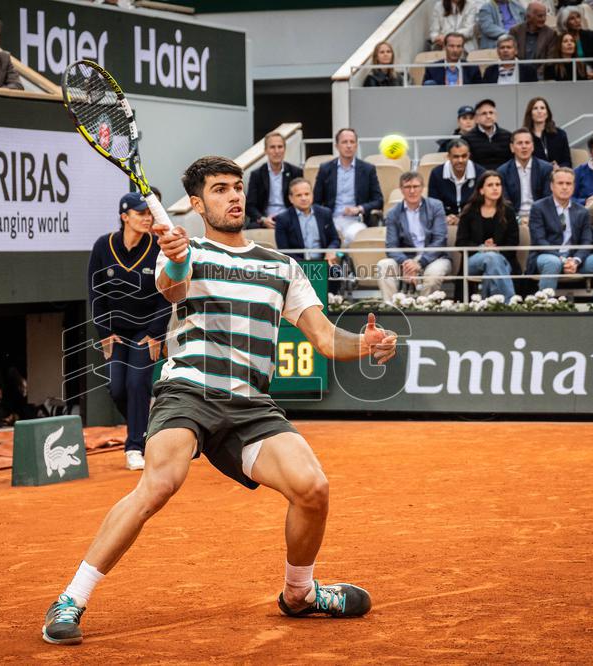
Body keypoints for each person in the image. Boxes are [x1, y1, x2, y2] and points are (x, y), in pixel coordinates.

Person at [40, 155, 398, 645]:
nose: (233, 197)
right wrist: (181, 256)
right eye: (219, 189)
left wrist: (367, 345)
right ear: (196, 202)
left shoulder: (281, 267)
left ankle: (300, 595)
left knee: (313, 487)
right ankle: (71, 600)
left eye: (237, 187)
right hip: (187, 390)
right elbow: (172, 287)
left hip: (250, 406)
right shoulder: (186, 251)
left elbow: (325, 338)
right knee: (160, 481)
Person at [87, 192, 171, 471]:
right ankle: (148, 425)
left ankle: (135, 445)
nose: (148, 218)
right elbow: (96, 293)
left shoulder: (158, 247)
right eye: (140, 213)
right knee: (117, 389)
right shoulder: (102, 246)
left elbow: (165, 295)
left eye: (149, 213)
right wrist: (104, 332)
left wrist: (156, 333)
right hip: (116, 333)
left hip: (145, 332)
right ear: (125, 217)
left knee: (137, 384)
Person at [528, 168, 593, 300]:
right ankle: (545, 308)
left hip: (575, 260)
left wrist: (576, 260)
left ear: (574, 186)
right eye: (560, 183)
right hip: (547, 256)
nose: (565, 187)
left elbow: (586, 241)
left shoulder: (582, 211)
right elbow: (540, 241)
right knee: (553, 263)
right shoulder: (538, 208)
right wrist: (562, 260)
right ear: (552, 186)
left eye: (568, 183)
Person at [377, 172, 452, 300]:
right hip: (406, 259)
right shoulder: (393, 213)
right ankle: (391, 308)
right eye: (407, 187)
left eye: (416, 186)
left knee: (433, 275)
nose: (412, 191)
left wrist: (420, 263)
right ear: (401, 189)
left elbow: (440, 240)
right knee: (383, 265)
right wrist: (406, 263)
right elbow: (391, 246)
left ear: (422, 188)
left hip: (435, 258)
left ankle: (424, 309)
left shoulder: (436, 206)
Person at [456, 170, 521, 301]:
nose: (495, 188)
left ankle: (487, 305)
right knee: (491, 258)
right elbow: (461, 242)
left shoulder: (508, 211)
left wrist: (497, 250)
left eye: (498, 184)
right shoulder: (469, 211)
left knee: (492, 266)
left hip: (503, 258)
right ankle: (510, 302)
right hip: (474, 260)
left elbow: (513, 241)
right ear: (481, 190)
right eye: (490, 185)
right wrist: (482, 248)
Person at [312, 128, 383, 245]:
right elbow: (316, 201)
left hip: (357, 221)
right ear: (337, 146)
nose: (349, 146)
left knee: (353, 236)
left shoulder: (367, 169)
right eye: (344, 142)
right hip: (332, 219)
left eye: (352, 142)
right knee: (327, 235)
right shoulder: (326, 169)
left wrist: (359, 208)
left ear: (356, 145)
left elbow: (379, 201)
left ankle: (348, 263)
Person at [274, 178, 343, 293]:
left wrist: (331, 250)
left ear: (312, 195)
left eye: (307, 194)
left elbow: (335, 239)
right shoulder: (282, 219)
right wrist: (307, 266)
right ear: (291, 198)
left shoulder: (325, 213)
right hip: (298, 265)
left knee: (336, 271)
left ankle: (332, 302)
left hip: (323, 263)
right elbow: (284, 250)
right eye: (299, 195)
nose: (304, 198)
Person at [245, 133, 303, 229]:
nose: (277, 151)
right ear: (265, 151)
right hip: (265, 218)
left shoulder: (295, 172)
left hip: (290, 217)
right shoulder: (257, 174)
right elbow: (250, 205)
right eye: (272, 147)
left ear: (284, 149)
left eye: (280, 147)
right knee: (251, 227)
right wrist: (263, 219)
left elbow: (300, 199)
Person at [498, 128, 554, 224]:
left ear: (532, 147)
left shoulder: (546, 168)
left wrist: (534, 218)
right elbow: (505, 202)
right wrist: (519, 220)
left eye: (527, 143)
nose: (524, 146)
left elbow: (547, 198)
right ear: (512, 147)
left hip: (540, 217)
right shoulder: (502, 171)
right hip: (513, 219)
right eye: (520, 143)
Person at [428, 138, 485, 224]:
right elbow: (433, 202)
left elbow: (483, 203)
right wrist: (444, 217)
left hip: (473, 220)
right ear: (448, 157)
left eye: (464, 156)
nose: (460, 160)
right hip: (444, 221)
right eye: (456, 157)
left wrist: (464, 219)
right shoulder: (437, 173)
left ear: (469, 155)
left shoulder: (480, 173)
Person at [463, 99, 513, 171]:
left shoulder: (508, 136)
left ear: (496, 115)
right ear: (476, 118)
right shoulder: (467, 138)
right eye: (484, 113)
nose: (488, 116)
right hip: (479, 178)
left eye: (491, 113)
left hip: (503, 178)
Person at [556, 6, 593, 78]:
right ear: (564, 22)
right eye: (572, 18)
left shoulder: (590, 35)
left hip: (591, 74)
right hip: (568, 75)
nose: (577, 20)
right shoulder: (560, 39)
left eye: (578, 17)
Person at [524, 97, 572, 168]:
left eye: (542, 108)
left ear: (547, 113)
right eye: (535, 108)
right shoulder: (524, 136)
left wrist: (558, 167)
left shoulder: (560, 134)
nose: (539, 111)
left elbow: (567, 162)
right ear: (530, 113)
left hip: (557, 175)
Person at [511, 2, 557, 76]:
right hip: (517, 73)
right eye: (540, 16)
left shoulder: (550, 33)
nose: (543, 19)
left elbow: (550, 59)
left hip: (540, 74)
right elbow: (511, 55)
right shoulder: (515, 31)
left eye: (545, 16)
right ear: (529, 16)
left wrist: (536, 75)